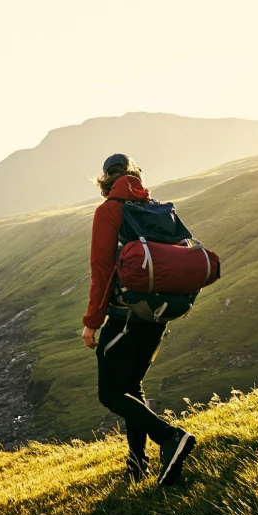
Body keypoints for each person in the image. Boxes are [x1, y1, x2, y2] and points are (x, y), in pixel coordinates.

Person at [81, 153, 196, 486]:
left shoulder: (109, 211)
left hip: (124, 316)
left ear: (105, 182)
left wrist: (92, 320)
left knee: (110, 393)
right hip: (157, 313)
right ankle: (137, 465)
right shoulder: (155, 206)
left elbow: (101, 270)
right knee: (132, 386)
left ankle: (170, 437)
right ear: (135, 176)